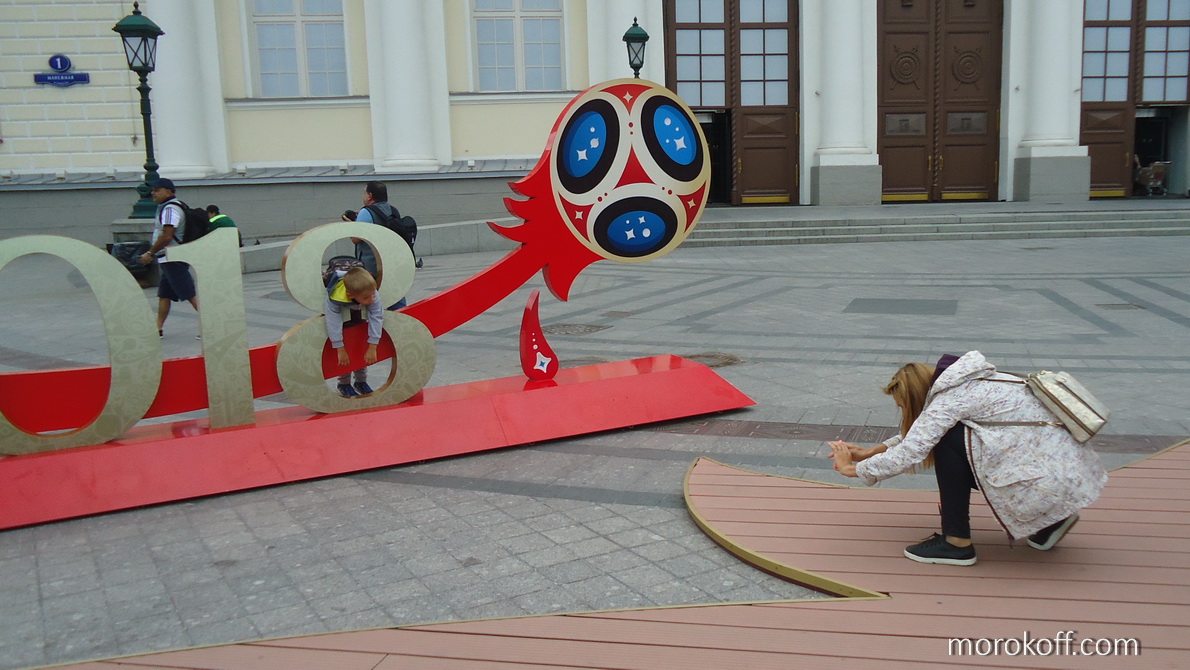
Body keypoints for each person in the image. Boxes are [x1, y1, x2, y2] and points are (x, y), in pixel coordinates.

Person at [828, 350, 1107, 566]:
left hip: (1042, 484)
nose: (903, 413)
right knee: (952, 436)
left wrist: (853, 469)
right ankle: (1052, 521)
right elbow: (922, 432)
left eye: (903, 407)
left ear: (915, 398)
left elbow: (914, 448)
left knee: (948, 441)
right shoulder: (976, 381)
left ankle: (956, 542)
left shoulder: (951, 400)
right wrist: (872, 451)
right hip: (1066, 479)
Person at [138, 177, 198, 337]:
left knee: (190, 294)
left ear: (169, 192)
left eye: (157, 190)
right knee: (164, 294)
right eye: (152, 190)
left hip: (173, 259)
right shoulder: (171, 207)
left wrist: (150, 253)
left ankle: (212, 325)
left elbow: (167, 236)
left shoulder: (170, 210)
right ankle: (157, 328)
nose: (153, 193)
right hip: (168, 259)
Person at [342, 181, 409, 309]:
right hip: (392, 262)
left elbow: (356, 239)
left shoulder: (366, 212)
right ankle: (401, 315)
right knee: (395, 295)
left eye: (364, 193)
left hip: (372, 264)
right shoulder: (393, 210)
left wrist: (350, 225)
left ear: (370, 196)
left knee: (372, 299)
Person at [324, 266, 384, 397]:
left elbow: (377, 316)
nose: (371, 299)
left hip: (358, 313)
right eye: (366, 297)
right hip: (344, 315)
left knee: (360, 345)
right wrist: (340, 347)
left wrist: (373, 346)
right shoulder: (334, 297)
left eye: (373, 294)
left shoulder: (370, 290)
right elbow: (333, 322)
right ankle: (344, 383)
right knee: (346, 352)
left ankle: (361, 382)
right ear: (350, 294)